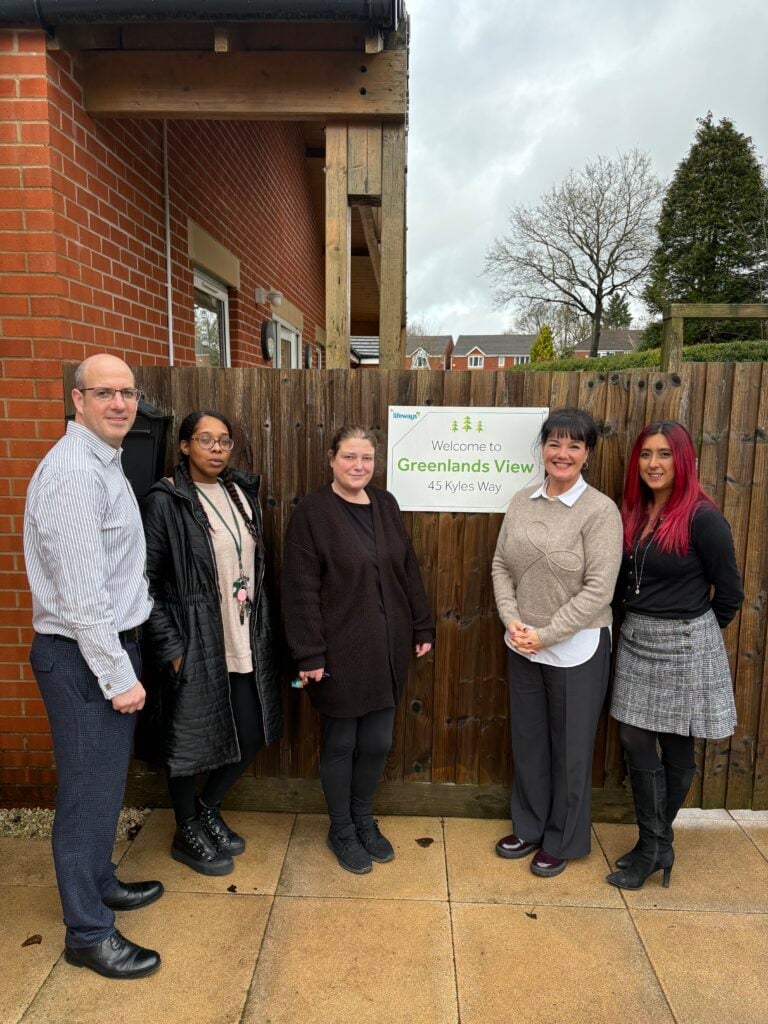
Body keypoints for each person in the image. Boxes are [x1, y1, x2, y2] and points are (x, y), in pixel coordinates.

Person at [23, 354, 162, 980]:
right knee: (85, 799)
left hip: (107, 647)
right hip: (84, 657)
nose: (119, 403)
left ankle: (100, 882)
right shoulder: (73, 474)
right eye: (104, 393)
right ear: (76, 399)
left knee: (104, 787)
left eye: (127, 392)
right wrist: (118, 675)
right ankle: (87, 933)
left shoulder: (105, 462)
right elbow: (82, 598)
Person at [281, 425, 434, 874]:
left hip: (387, 647)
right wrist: (309, 653)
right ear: (332, 458)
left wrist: (422, 623)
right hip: (338, 650)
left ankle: (364, 818)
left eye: (366, 458)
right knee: (342, 742)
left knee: (378, 741)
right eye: (349, 456)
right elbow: (300, 588)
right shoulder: (313, 513)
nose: (358, 466)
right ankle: (342, 829)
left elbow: (407, 568)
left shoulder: (385, 505)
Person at [140, 411, 282, 876]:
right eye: (206, 440)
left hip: (243, 637)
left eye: (224, 441)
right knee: (188, 743)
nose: (217, 448)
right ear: (185, 446)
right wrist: (172, 649)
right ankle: (185, 830)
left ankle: (207, 809)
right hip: (194, 641)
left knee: (252, 733)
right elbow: (145, 583)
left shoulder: (241, 493)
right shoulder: (166, 501)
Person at [607, 421, 743, 891]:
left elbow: (730, 593)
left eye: (664, 454)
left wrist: (693, 634)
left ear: (683, 460)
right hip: (637, 640)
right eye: (646, 454)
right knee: (634, 737)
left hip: (684, 644)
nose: (653, 463)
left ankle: (651, 847)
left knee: (678, 743)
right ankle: (658, 843)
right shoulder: (634, 510)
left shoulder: (704, 518)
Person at [491, 407, 623, 878]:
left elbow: (599, 590)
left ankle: (563, 839)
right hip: (523, 643)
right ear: (542, 448)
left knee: (570, 750)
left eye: (574, 445)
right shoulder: (521, 500)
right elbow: (501, 565)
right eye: (554, 443)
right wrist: (513, 621)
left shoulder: (600, 511)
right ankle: (529, 827)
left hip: (576, 647)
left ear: (587, 454)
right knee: (529, 742)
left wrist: (545, 633)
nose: (562, 453)